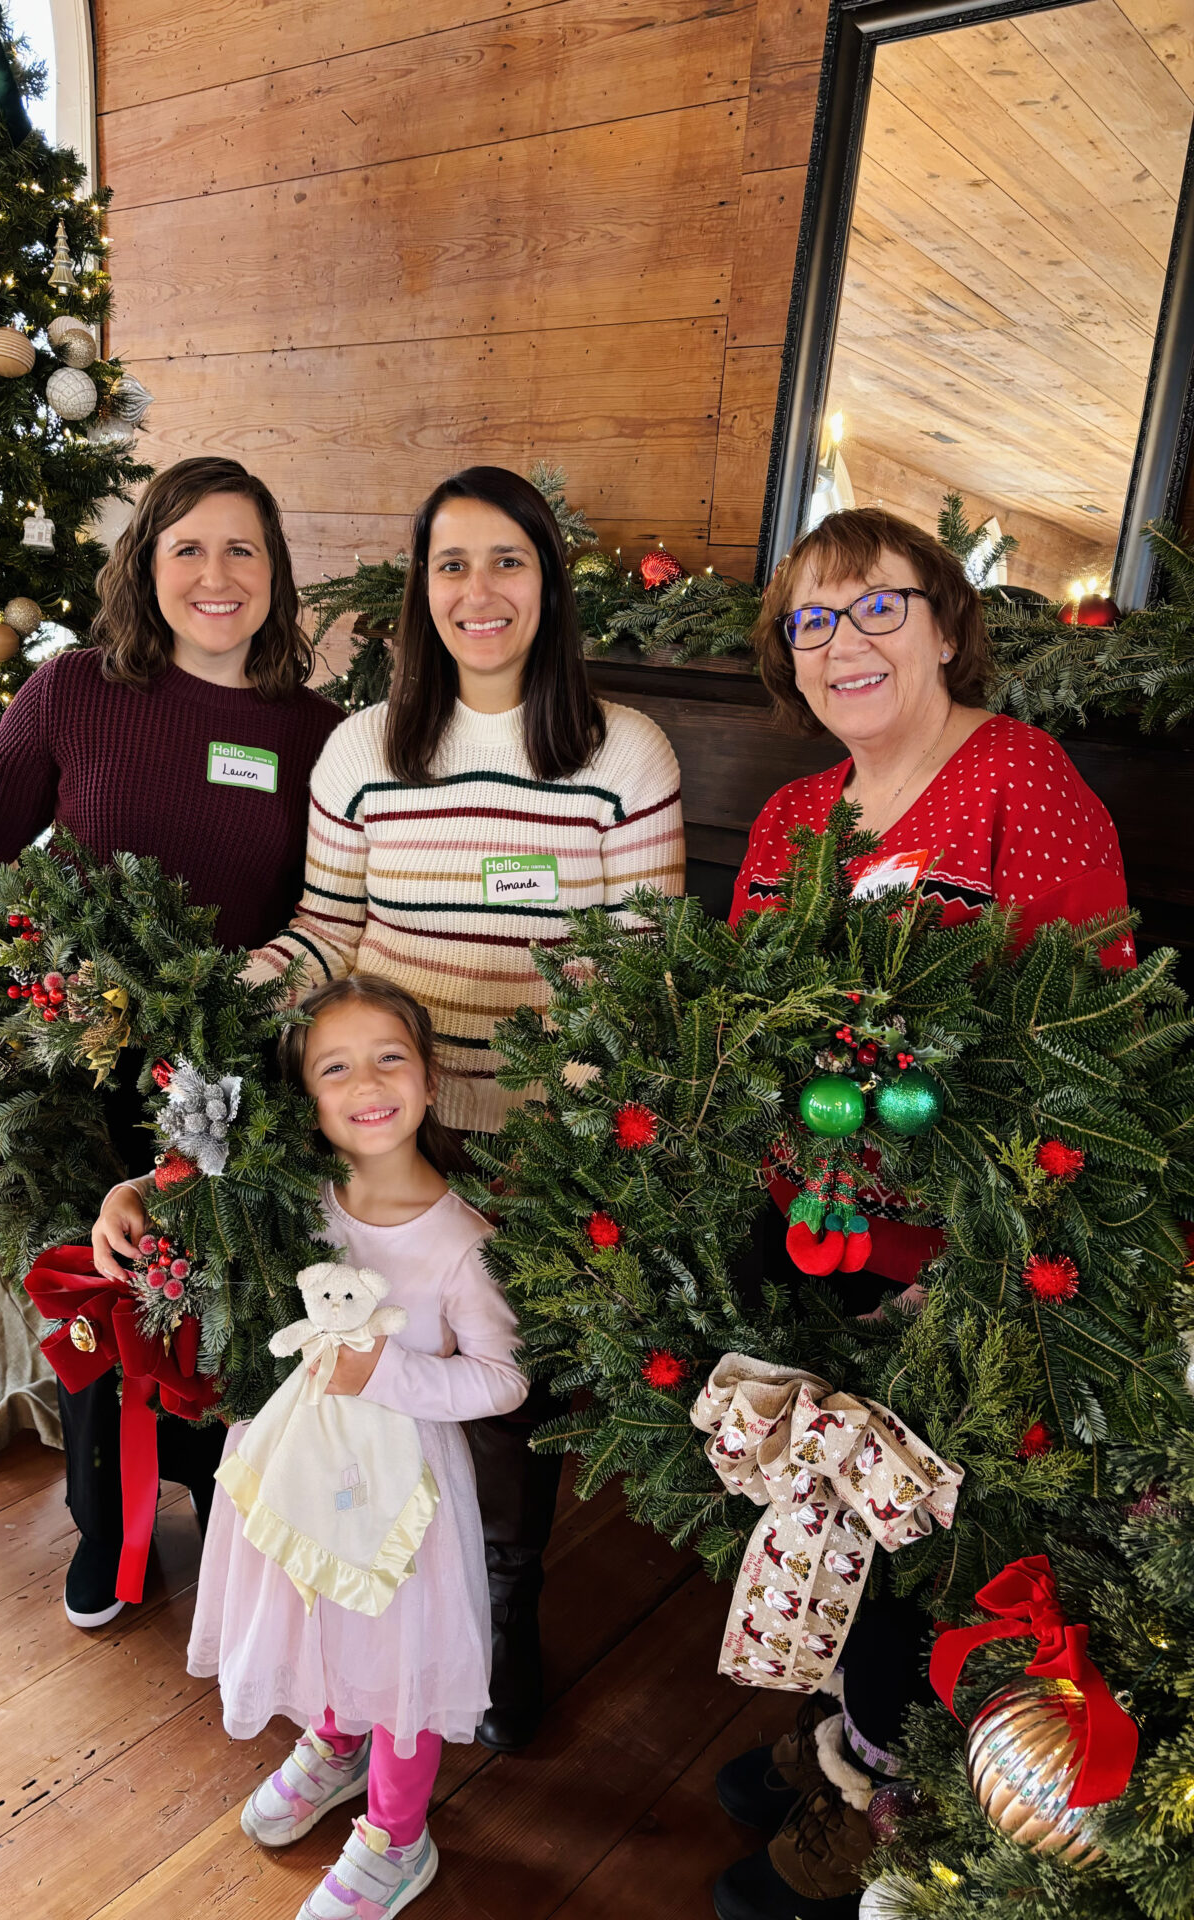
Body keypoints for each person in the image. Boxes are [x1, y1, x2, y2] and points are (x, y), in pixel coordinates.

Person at [711, 506, 1131, 1920]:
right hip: (814, 1228)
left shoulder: (1024, 778)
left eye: (878, 608)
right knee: (819, 1490)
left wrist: (979, 1254)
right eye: (814, 623)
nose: (846, 644)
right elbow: (742, 1019)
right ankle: (844, 1730)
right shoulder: (789, 818)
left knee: (921, 1540)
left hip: (968, 1258)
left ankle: (890, 1803)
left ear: (948, 622)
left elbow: (1091, 1038)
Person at [0, 456, 342, 1631]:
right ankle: (107, 1529)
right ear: (146, 564)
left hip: (235, 1070)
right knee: (97, 1297)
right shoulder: (76, 688)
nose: (215, 575)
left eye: (243, 550)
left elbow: (327, 907)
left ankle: (234, 1526)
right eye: (188, 547)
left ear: (275, 575)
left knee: (227, 1301)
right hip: (74, 1064)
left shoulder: (318, 732)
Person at [248, 465, 686, 1749]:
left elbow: (642, 957)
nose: (478, 590)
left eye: (507, 561)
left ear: (547, 587)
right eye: (451, 564)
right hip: (391, 1135)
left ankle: (505, 1605)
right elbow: (327, 931)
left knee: (505, 1399)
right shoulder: (361, 750)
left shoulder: (623, 751)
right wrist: (233, 993)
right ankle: (375, 1611)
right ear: (417, 592)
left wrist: (575, 1122)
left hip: (543, 1145)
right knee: (373, 1379)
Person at [99, 975, 528, 1919]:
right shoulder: (295, 1197)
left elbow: (503, 1380)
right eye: (336, 1067)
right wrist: (126, 1193)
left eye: (390, 1058)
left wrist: (386, 1375)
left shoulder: (463, 1242)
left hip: (403, 1498)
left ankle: (396, 1835)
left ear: (427, 1076)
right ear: (306, 1097)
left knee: (399, 1652)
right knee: (316, 1618)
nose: (367, 1082)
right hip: (295, 1466)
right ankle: (337, 1743)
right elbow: (185, 1195)